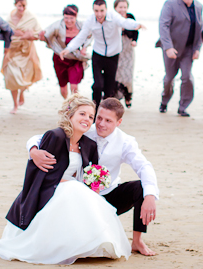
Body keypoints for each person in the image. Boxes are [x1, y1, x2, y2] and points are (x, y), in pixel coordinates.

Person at [0, 94, 131, 265]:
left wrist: (94, 183)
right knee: (74, 189)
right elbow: (37, 176)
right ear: (70, 114)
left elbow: (87, 176)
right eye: (82, 114)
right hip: (47, 192)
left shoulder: (89, 145)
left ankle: (89, 244)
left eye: (90, 116)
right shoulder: (56, 136)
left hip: (72, 191)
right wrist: (33, 151)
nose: (87, 119)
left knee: (85, 194)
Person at [27, 97, 159, 256]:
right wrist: (33, 151)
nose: (101, 124)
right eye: (99, 118)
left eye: (108, 121)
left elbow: (144, 166)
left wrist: (150, 195)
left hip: (108, 194)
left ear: (119, 122)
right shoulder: (85, 128)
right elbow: (42, 137)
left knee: (140, 188)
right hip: (78, 193)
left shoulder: (126, 142)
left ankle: (137, 241)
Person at [61, 0, 144, 110]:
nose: (99, 14)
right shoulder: (90, 20)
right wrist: (68, 48)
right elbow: (82, 36)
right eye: (96, 11)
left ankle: (106, 112)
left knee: (109, 89)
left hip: (113, 55)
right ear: (93, 10)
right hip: (98, 55)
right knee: (98, 86)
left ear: (106, 9)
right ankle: (94, 111)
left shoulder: (113, 16)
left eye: (101, 10)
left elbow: (124, 22)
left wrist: (136, 25)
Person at [157, 0, 203, 117]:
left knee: (187, 77)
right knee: (169, 78)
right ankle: (164, 101)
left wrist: (197, 49)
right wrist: (168, 47)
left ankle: (183, 106)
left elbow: (199, 29)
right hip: (172, 47)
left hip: (189, 49)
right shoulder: (170, 4)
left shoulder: (198, 6)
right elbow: (163, 26)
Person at [2, 0, 43, 114]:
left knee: (26, 76)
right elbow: (4, 34)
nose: (22, 8)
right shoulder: (8, 19)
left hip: (26, 51)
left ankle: (22, 92)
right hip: (12, 50)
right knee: (11, 77)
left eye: (24, 6)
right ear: (15, 4)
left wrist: (28, 35)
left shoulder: (31, 18)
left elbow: (39, 34)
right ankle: (15, 104)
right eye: (19, 6)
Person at [39, 5, 91, 99]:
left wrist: (84, 47)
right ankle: (67, 104)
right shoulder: (57, 26)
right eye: (66, 18)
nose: (69, 21)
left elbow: (90, 35)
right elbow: (46, 36)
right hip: (60, 59)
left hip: (75, 59)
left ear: (76, 16)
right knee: (63, 88)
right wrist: (42, 37)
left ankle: (75, 105)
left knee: (74, 86)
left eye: (72, 18)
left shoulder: (81, 26)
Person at [113, 0, 138, 108]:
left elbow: (135, 30)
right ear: (115, 8)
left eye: (124, 7)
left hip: (127, 48)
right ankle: (117, 96)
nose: (122, 9)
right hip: (115, 48)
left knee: (128, 73)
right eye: (120, 7)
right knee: (117, 73)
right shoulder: (112, 18)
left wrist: (134, 40)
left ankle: (128, 96)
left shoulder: (130, 17)